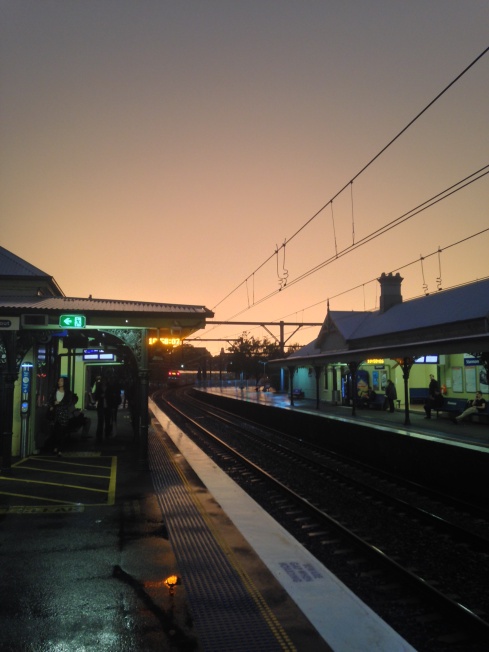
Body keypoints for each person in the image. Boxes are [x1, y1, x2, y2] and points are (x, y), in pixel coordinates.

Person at [48, 376, 73, 454]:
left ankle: (60, 448)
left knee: (62, 432)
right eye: (59, 381)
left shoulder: (68, 393)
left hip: (63, 414)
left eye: (61, 381)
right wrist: (52, 405)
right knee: (55, 431)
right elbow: (50, 401)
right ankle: (56, 446)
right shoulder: (54, 391)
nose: (59, 382)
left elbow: (68, 402)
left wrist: (59, 403)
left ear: (65, 382)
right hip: (55, 414)